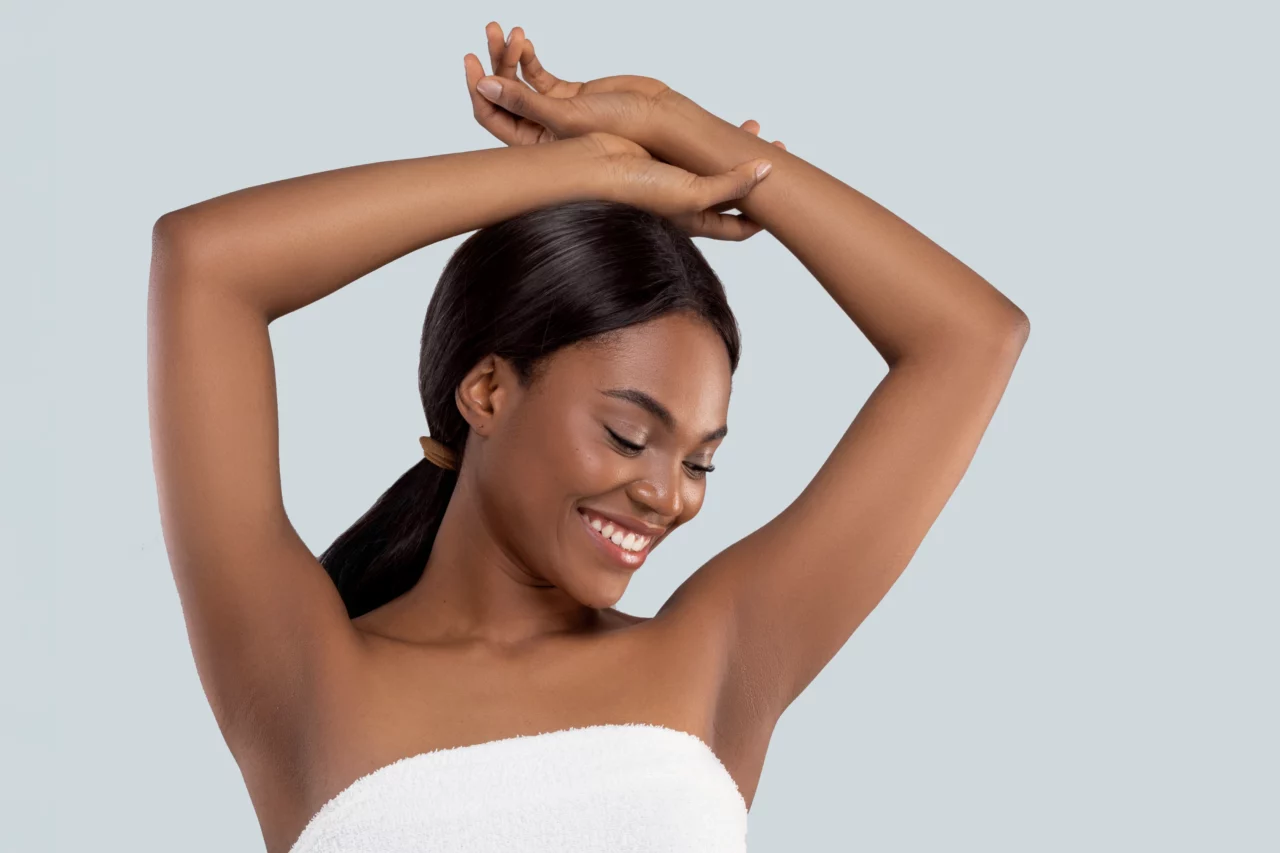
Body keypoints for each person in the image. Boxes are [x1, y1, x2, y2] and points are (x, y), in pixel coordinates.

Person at [146, 21, 1029, 853]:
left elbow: (973, 338)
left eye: (700, 459)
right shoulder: (306, 675)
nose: (667, 494)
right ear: (487, 390)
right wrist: (584, 176)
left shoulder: (715, 656)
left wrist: (667, 119)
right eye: (626, 433)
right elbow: (206, 263)